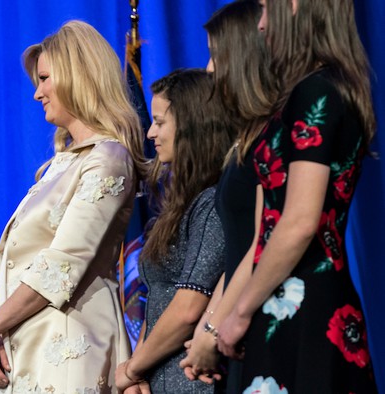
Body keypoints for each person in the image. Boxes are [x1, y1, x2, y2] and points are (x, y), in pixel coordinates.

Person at [0, 20, 147, 393]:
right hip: (27, 350)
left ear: (77, 76)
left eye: (45, 78)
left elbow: (60, 267)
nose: (37, 93)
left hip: (69, 351)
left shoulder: (108, 158)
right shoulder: (61, 165)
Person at [216, 0, 377, 392]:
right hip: (300, 301)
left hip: (302, 308)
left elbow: (300, 221)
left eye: (267, 9)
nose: (261, 25)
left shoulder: (315, 92)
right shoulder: (327, 88)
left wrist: (240, 311)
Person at [115, 69, 234, 394]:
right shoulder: (181, 205)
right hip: (159, 378)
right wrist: (138, 374)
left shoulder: (211, 203)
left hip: (192, 380)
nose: (150, 132)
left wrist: (130, 369)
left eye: (160, 121)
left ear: (191, 124)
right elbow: (157, 300)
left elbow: (187, 308)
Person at [178, 1, 277, 391]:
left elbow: (260, 243)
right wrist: (209, 328)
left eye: (216, 56)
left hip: (259, 316)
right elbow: (238, 252)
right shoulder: (245, 140)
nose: (209, 69)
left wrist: (214, 325)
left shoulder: (273, 138)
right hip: (233, 325)